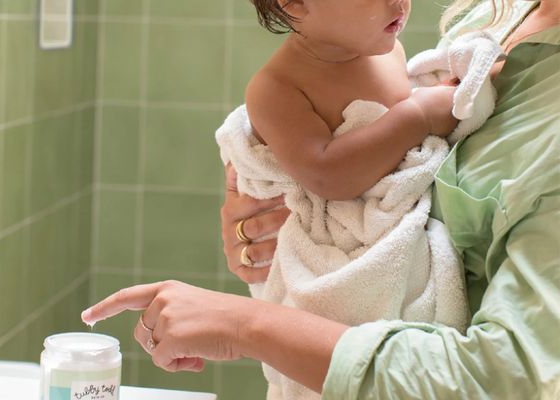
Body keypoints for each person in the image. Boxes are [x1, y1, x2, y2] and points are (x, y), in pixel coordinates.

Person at [81, 0, 560, 398]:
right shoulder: (275, 86)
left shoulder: (385, 48)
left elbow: (506, 377)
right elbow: (326, 175)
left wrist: (245, 325)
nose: (401, 3)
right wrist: (259, 215)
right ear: (293, 4)